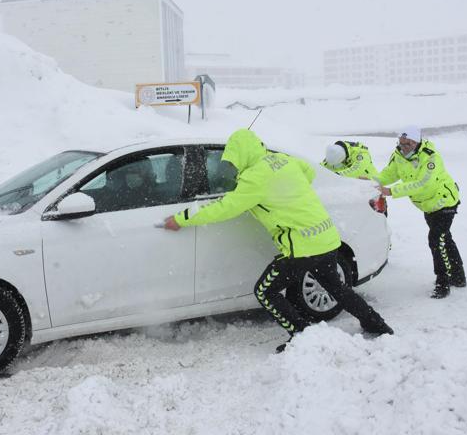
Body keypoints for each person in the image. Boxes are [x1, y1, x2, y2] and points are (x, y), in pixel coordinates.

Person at [162, 129, 393, 352]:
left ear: (243, 153)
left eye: (233, 160)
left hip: (302, 247)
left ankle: (302, 334)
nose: (232, 165)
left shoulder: (254, 178)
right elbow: (309, 173)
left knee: (265, 291)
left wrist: (182, 219)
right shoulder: (282, 160)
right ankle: (376, 324)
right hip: (326, 237)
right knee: (338, 289)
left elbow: (226, 208)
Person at [375, 126, 465, 299]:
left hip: (445, 201)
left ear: (416, 142)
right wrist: (373, 182)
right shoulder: (399, 155)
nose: (403, 147)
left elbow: (423, 183)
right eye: (401, 143)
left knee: (436, 240)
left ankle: (443, 282)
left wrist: (391, 191)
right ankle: (459, 277)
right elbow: (389, 173)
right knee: (445, 238)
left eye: (407, 144)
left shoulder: (431, 157)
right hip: (427, 206)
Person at [322, 140, 387, 214]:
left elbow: (357, 169)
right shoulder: (333, 155)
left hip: (373, 188)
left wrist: (336, 175)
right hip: (354, 192)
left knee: (378, 215)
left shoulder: (360, 152)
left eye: (338, 164)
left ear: (344, 158)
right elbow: (321, 168)